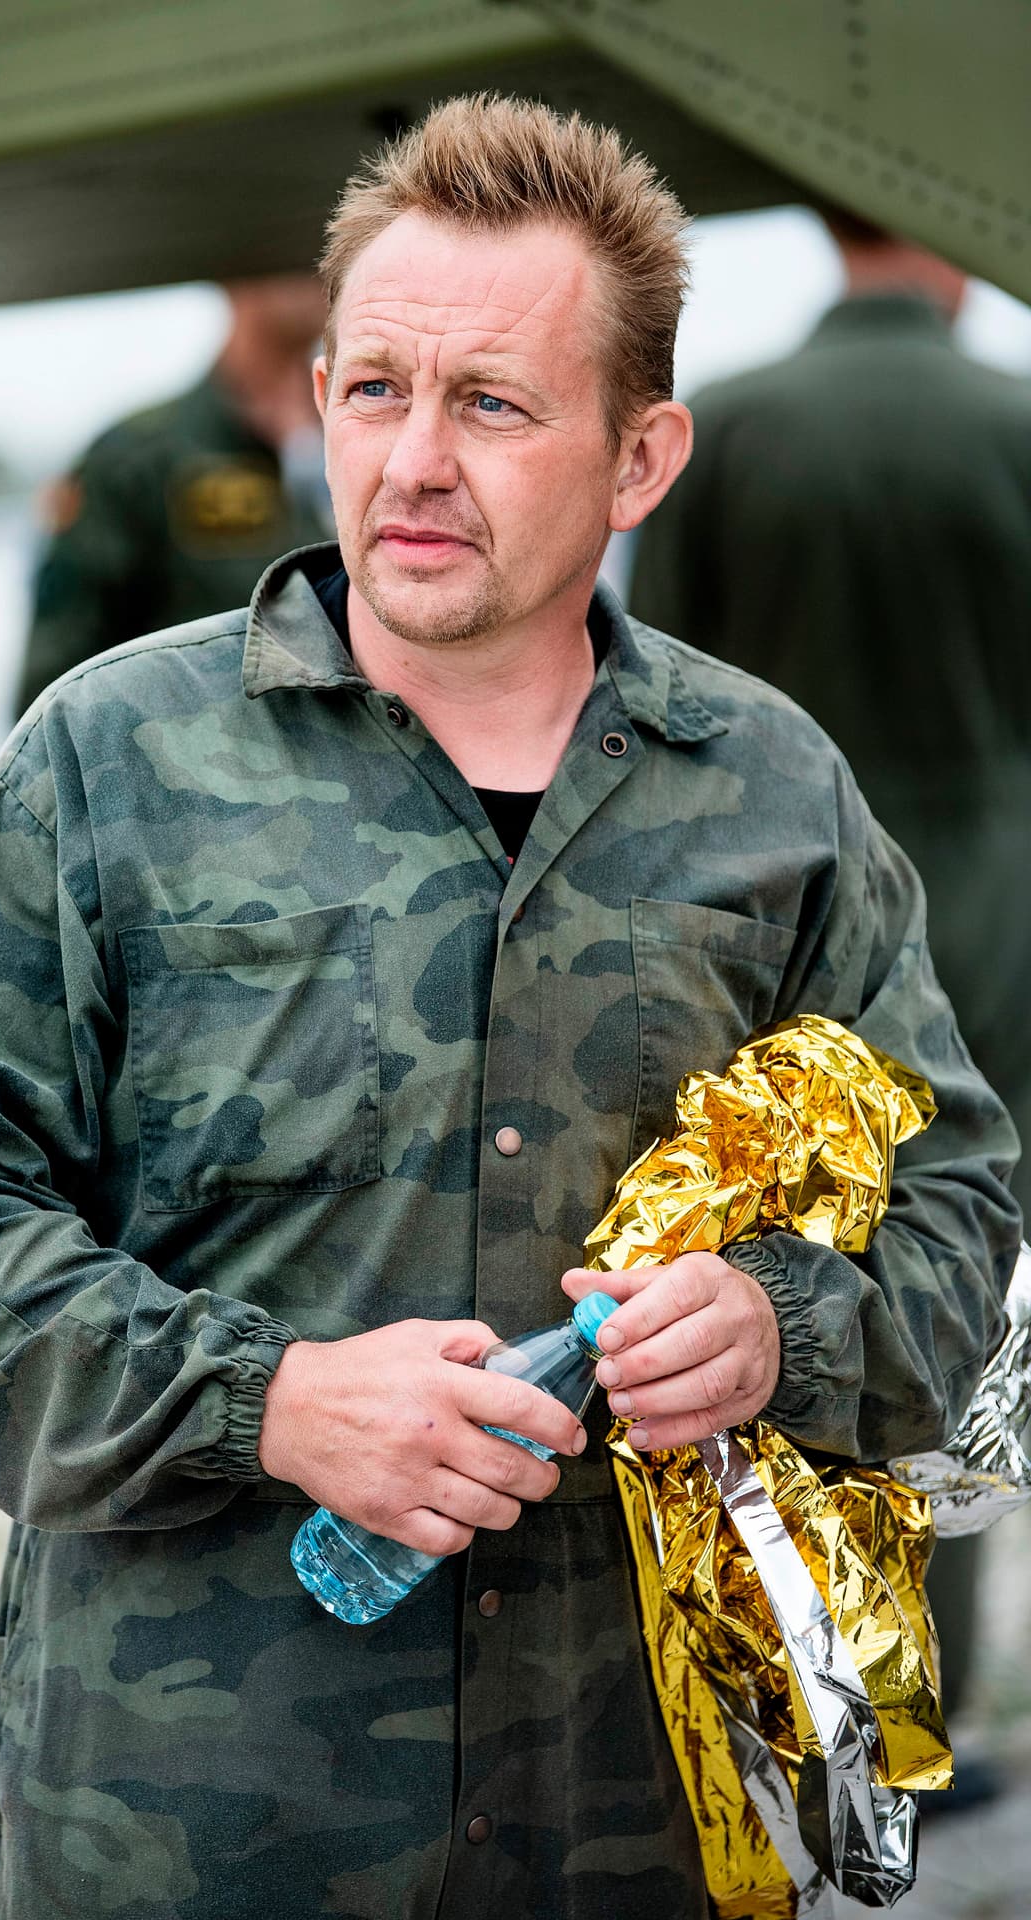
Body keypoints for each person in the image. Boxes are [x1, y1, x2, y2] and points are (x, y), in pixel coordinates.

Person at [0, 99, 1020, 1920]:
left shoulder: (773, 792)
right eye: (375, 390)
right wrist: (274, 1401)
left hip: (625, 1828)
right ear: (316, 398)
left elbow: (959, 1214)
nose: (413, 462)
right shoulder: (107, 764)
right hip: (188, 1835)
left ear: (641, 458)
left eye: (492, 404)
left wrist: (782, 1328)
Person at [628, 211, 1031, 1774]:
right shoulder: (1017, 427)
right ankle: (921, 1702)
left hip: (769, 932)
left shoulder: (726, 431)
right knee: (968, 1297)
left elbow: (649, 696)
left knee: (750, 1288)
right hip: (1002, 925)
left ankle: (769, 1673)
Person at [13, 272, 333, 715]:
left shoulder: (371, 439)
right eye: (283, 240)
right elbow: (52, 696)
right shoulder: (138, 459)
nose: (313, 260)